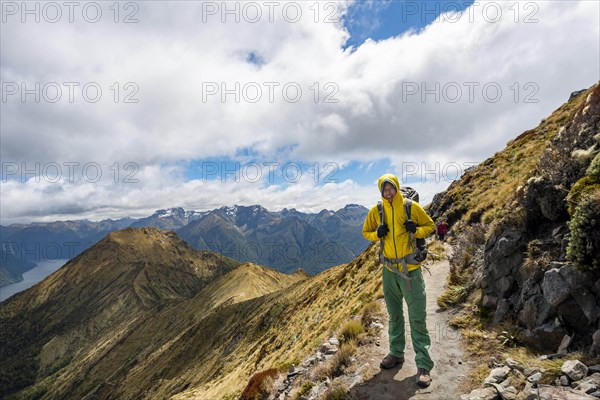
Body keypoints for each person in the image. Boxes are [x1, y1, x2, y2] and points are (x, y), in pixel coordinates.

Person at [362, 173, 435, 388]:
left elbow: (430, 226)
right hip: (389, 271)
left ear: (396, 187)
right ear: (380, 190)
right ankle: (396, 353)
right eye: (384, 189)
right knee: (394, 315)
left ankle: (423, 366)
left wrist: (417, 229)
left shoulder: (410, 207)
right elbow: (365, 232)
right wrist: (377, 233)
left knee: (417, 317)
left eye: (391, 188)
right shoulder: (377, 211)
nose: (388, 192)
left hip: (410, 270)